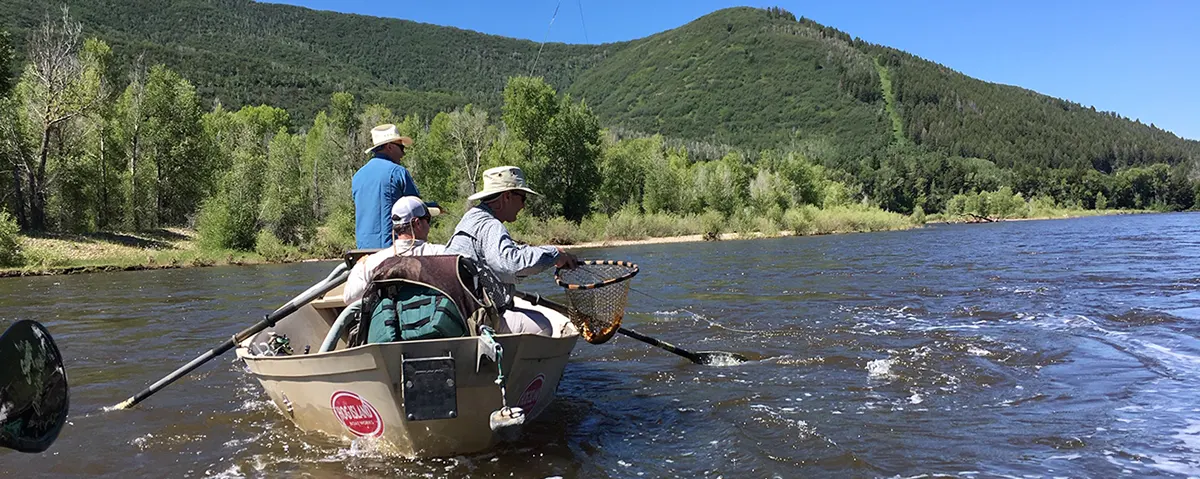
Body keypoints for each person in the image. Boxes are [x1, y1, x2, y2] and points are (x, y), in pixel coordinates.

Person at [445, 165, 578, 335]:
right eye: (523, 198)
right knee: (543, 325)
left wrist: (552, 253)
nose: (523, 206)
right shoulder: (491, 225)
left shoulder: (470, 219)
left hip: (461, 312)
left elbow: (504, 253)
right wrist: (555, 255)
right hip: (475, 318)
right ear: (507, 196)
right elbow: (510, 266)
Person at [343, 196, 448, 304]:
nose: (429, 225)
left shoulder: (371, 263)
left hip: (391, 314)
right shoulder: (442, 254)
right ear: (417, 223)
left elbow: (350, 297)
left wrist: (359, 267)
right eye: (428, 220)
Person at [352, 124, 420, 249]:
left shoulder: (357, 176)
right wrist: (434, 208)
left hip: (362, 252)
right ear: (389, 147)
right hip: (393, 251)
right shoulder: (398, 172)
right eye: (401, 147)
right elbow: (416, 208)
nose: (403, 153)